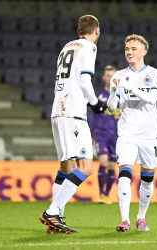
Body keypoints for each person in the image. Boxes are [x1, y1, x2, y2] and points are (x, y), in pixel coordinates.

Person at [39, 15, 107, 234]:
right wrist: (96, 104)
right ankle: (53, 211)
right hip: (74, 113)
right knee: (86, 168)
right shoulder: (89, 47)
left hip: (57, 110)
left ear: (78, 31)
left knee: (65, 167)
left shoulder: (66, 47)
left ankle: (54, 220)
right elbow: (85, 82)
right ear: (96, 31)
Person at [107, 34, 157, 232]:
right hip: (127, 133)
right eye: (127, 49)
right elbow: (113, 107)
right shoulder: (120, 75)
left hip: (149, 136)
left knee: (147, 178)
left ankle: (141, 217)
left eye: (133, 49)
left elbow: (151, 98)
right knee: (124, 174)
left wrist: (128, 86)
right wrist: (112, 90)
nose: (129, 52)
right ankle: (125, 220)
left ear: (144, 51)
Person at [89, 65, 118, 204]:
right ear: (103, 77)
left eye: (113, 76)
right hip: (101, 134)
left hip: (117, 136)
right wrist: (91, 133)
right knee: (103, 162)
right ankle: (101, 194)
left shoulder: (121, 96)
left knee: (112, 166)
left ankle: (106, 194)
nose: (110, 78)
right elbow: (93, 116)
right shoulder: (98, 95)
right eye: (108, 75)